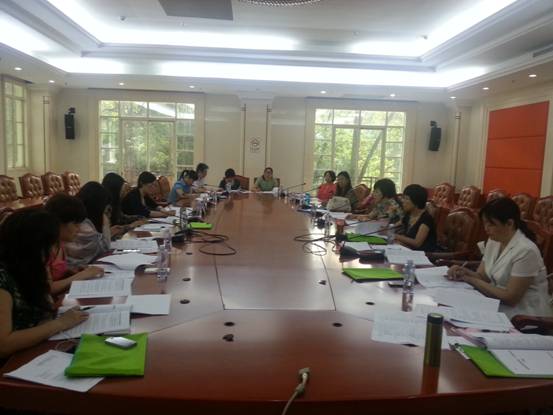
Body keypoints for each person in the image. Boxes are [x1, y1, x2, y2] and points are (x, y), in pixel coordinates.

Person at [0, 210, 89, 358]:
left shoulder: (32, 266)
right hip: (16, 361)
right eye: (51, 245)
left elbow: (46, 303)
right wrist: (60, 323)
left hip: (40, 345)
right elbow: (3, 344)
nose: (54, 252)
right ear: (32, 246)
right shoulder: (4, 279)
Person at [448, 197, 552, 318]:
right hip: (496, 303)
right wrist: (463, 271)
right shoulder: (494, 241)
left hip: (524, 315)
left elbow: (511, 297)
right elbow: (483, 276)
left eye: (491, 224)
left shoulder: (527, 251)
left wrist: (470, 279)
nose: (486, 228)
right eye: (485, 223)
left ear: (509, 223)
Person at [45, 193, 105, 295]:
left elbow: (57, 272)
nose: (79, 229)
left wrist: (72, 271)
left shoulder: (60, 244)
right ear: (58, 223)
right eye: (75, 224)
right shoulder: (44, 249)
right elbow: (47, 289)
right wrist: (81, 275)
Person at [65, 181, 112, 267]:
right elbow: (105, 248)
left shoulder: (77, 217)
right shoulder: (84, 225)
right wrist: (105, 222)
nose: (77, 228)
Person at [394, 184, 436, 251]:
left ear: (416, 201)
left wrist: (395, 236)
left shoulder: (426, 218)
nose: (402, 201)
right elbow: (393, 227)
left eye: (406, 198)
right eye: (403, 198)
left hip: (424, 254)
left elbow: (417, 243)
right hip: (409, 250)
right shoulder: (408, 215)